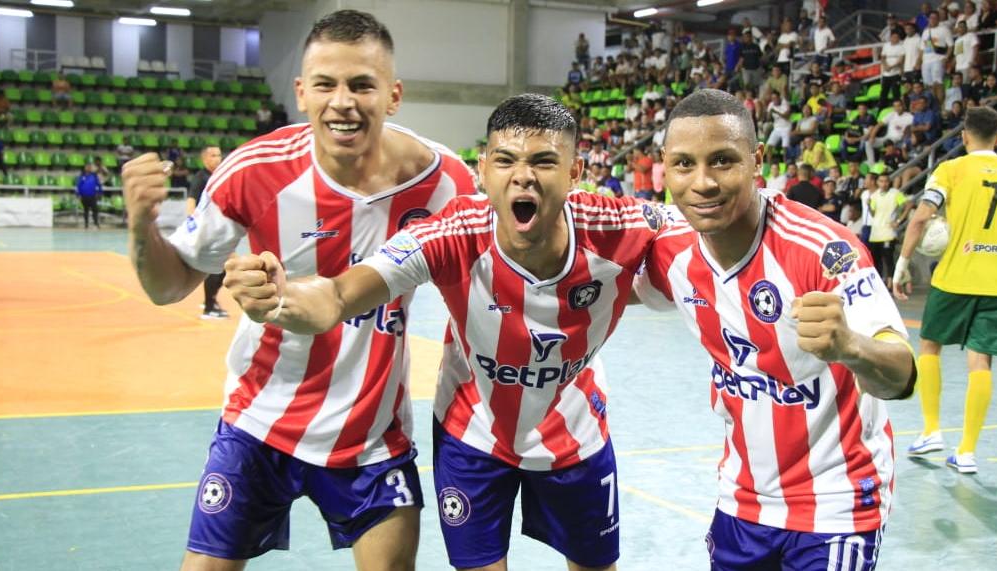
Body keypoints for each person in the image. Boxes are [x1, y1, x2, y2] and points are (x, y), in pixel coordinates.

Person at [223, 93, 670, 571]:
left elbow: (703, 236)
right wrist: (280, 298)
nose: (523, 175)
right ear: (482, 170)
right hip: (472, 436)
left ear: (575, 171)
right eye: (505, 160)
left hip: (575, 433)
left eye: (544, 161)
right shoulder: (451, 233)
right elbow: (337, 296)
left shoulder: (621, 225)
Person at [119, 10, 476, 569]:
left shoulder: (448, 182)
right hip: (259, 424)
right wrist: (143, 228)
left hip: (372, 439)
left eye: (362, 84)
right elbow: (169, 287)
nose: (343, 101)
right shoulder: (254, 171)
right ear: (301, 93)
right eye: (326, 84)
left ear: (393, 95)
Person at [634, 89, 915, 570]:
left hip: (835, 504)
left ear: (755, 159)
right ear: (665, 167)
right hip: (741, 499)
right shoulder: (671, 252)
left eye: (722, 161)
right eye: (683, 164)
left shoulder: (822, 250)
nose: (702, 182)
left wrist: (850, 346)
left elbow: (903, 375)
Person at [892, 107, 997, 474]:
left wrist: (902, 264)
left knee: (929, 345)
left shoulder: (951, 169)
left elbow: (923, 216)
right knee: (981, 361)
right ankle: (968, 451)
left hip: (955, 277)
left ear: (963, 136)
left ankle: (930, 430)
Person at [186, 146, 228, 319]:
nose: (218, 158)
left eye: (219, 154)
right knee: (217, 268)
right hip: (207, 229)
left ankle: (209, 301)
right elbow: (191, 202)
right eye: (213, 155)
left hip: (220, 228)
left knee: (221, 268)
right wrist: (194, 226)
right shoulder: (200, 178)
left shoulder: (218, 176)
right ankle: (209, 308)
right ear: (204, 159)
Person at [868, 174, 906, 288]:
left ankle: (890, 284)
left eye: (886, 181)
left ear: (889, 182)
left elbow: (907, 205)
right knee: (876, 261)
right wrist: (869, 205)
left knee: (888, 260)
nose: (884, 183)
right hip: (875, 233)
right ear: (877, 182)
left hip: (888, 233)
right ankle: (878, 284)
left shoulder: (895, 193)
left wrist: (899, 220)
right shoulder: (874, 195)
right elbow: (873, 214)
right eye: (881, 181)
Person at [880, 30, 906, 106]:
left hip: (896, 72)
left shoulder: (901, 46)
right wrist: (885, 66)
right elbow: (882, 57)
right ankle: (882, 107)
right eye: (893, 37)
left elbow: (901, 60)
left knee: (895, 91)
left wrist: (891, 67)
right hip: (886, 73)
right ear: (890, 38)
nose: (895, 38)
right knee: (884, 91)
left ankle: (897, 106)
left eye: (897, 37)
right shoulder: (886, 45)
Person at [74, 163, 103, 229]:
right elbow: (78, 186)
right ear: (85, 168)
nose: (88, 168)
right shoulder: (82, 177)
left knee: (95, 210)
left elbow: (98, 185)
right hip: (84, 196)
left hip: (92, 196)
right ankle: (86, 224)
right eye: (87, 167)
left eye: (90, 167)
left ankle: (96, 223)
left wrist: (100, 193)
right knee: (85, 210)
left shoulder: (94, 176)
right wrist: (77, 194)